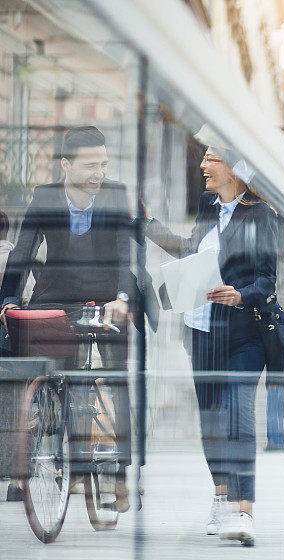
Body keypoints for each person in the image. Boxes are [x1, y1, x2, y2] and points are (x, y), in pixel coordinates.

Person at [144, 142, 277, 545]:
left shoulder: (261, 216)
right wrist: (147, 223)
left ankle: (243, 510)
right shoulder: (208, 205)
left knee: (239, 413)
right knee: (212, 419)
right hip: (201, 330)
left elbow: (267, 281)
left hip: (243, 334)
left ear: (235, 168)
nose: (202, 164)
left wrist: (241, 294)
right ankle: (220, 496)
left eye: (210, 157)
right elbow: (191, 252)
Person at [0, 126, 133, 511]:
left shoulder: (114, 194)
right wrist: (8, 299)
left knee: (118, 378)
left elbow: (126, 254)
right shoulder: (44, 196)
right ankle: (70, 468)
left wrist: (122, 298)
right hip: (56, 295)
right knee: (64, 380)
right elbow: (23, 251)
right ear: (65, 165)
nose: (99, 173)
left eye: (104, 165)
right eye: (91, 165)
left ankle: (121, 474)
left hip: (107, 298)